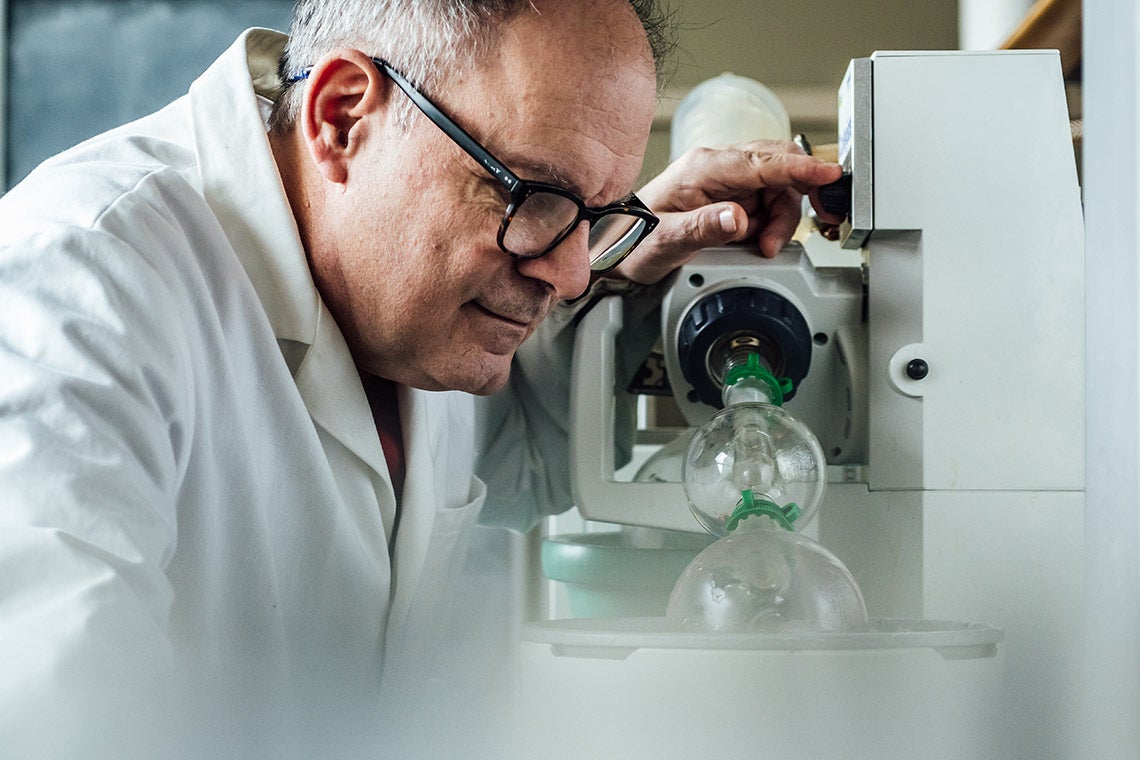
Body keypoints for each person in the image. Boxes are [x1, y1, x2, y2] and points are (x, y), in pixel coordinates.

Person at [0, 0, 842, 757]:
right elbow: (60, 708)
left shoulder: (404, 299)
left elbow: (516, 458)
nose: (573, 274)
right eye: (536, 195)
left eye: (596, 215)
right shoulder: (74, 282)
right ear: (342, 118)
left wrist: (633, 260)